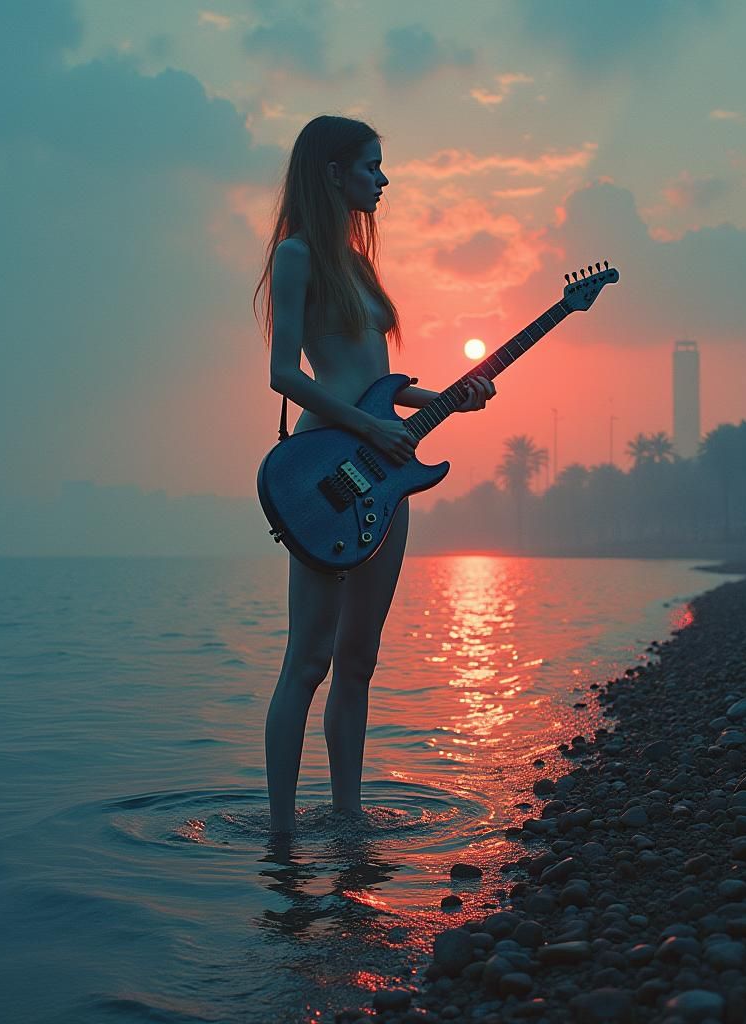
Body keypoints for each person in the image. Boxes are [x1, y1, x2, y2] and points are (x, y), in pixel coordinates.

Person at [252, 114, 496, 835]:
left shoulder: (359, 264)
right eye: (371, 167)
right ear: (333, 172)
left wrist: (446, 397)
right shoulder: (296, 257)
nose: (383, 180)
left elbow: (376, 381)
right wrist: (368, 428)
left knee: (359, 658)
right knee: (309, 659)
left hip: (385, 472)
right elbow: (281, 374)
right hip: (325, 472)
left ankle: (349, 819)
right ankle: (280, 835)